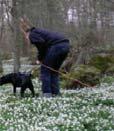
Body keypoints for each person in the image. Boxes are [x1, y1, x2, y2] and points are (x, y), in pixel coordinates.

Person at [20, 18, 70, 98]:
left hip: (56, 46)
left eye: (26, 37)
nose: (27, 39)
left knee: (45, 70)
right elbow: (44, 45)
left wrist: (40, 58)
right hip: (66, 46)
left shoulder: (32, 34)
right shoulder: (39, 32)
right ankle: (55, 93)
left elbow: (41, 45)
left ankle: (47, 94)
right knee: (54, 71)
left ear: (27, 33)